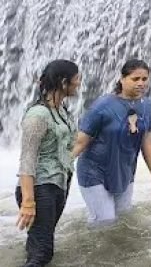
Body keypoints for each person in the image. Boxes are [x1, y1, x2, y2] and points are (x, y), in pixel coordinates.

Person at [71, 59, 151, 227]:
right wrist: (58, 170)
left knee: (123, 221)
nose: (141, 83)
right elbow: (80, 143)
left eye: (145, 79)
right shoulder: (102, 107)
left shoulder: (148, 106)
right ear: (122, 79)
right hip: (94, 172)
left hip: (125, 172)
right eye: (135, 79)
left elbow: (147, 142)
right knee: (104, 222)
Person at [14, 60, 81, 267]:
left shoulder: (62, 111)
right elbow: (27, 159)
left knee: (38, 246)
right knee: (43, 253)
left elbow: (69, 148)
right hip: (39, 188)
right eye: (76, 79)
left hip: (59, 185)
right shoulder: (38, 115)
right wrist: (28, 202)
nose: (79, 84)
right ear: (63, 82)